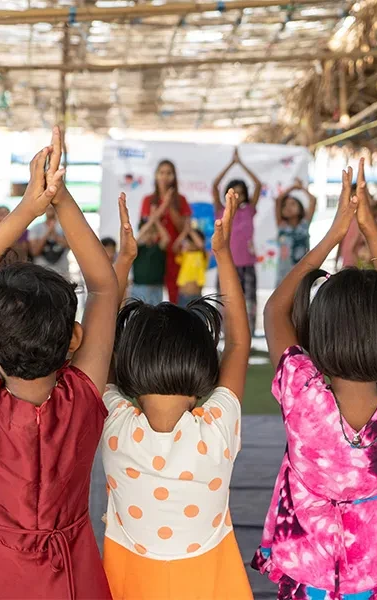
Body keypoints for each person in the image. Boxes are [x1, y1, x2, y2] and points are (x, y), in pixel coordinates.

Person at [0, 128, 118, 600]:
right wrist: (58, 199)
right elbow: (104, 285)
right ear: (74, 338)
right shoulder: (83, 395)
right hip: (73, 572)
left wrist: (30, 205)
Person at [253, 160, 377, 598]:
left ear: (321, 330)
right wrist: (373, 234)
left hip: (307, 572)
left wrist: (333, 236)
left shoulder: (302, 392)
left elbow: (276, 309)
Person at [102, 189, 252, 599]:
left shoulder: (113, 422)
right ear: (204, 368)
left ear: (129, 365)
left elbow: (98, 344)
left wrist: (125, 259)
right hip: (210, 584)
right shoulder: (216, 429)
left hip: (128, 584)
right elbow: (239, 344)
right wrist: (221, 253)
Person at [212, 148, 262, 331]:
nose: (237, 196)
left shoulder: (249, 209)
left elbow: (258, 184)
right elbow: (215, 185)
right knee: (225, 300)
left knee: (248, 300)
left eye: (240, 193)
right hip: (227, 264)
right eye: (233, 193)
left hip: (247, 264)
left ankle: (247, 334)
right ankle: (224, 334)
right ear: (227, 194)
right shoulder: (221, 210)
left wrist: (240, 164)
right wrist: (230, 164)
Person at [140, 160, 192, 303]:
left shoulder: (181, 200)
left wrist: (169, 205)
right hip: (154, 254)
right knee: (150, 299)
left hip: (174, 254)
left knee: (175, 297)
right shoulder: (148, 200)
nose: (165, 176)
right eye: (161, 172)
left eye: (169, 173)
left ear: (174, 176)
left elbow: (184, 228)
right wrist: (162, 204)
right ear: (156, 175)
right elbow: (146, 227)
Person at [275, 178, 317, 284]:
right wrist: (293, 187)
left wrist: (301, 188)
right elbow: (279, 200)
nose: (288, 207)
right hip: (285, 271)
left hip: (302, 270)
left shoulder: (304, 224)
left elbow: (313, 200)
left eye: (293, 204)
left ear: (300, 208)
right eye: (285, 205)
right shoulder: (282, 225)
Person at [128, 209, 170, 306]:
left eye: (153, 232)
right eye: (147, 232)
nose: (150, 236)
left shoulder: (158, 247)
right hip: (139, 288)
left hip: (156, 288)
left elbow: (166, 238)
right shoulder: (137, 247)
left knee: (155, 316)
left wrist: (156, 221)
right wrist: (150, 222)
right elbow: (135, 240)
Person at [29, 204, 70, 278]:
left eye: (53, 208)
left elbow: (71, 246)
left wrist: (54, 234)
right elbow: (35, 251)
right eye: (48, 208)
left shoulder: (65, 227)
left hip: (62, 272)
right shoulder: (36, 228)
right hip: (42, 272)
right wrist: (48, 233)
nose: (51, 210)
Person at [173, 224, 207, 307]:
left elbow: (200, 245)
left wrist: (190, 231)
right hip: (183, 296)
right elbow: (175, 247)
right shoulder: (184, 255)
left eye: (189, 241)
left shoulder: (202, 255)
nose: (187, 244)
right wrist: (185, 232)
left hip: (197, 297)